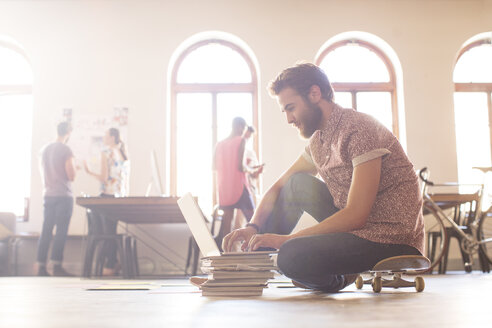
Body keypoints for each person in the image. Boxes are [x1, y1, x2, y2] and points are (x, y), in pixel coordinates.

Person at [222, 63, 425, 292]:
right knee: (296, 184)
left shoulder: (359, 129)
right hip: (359, 230)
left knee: (291, 255)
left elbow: (356, 215)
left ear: (314, 94)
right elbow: (281, 185)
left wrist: (287, 240)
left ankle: (339, 278)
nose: (289, 119)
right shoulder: (318, 142)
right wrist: (253, 227)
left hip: (389, 238)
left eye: (291, 108)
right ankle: (250, 270)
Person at [84, 127, 130, 276]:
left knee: (103, 233)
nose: (103, 137)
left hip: (107, 196)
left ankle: (109, 265)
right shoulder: (123, 154)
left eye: (105, 134)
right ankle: (112, 264)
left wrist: (89, 172)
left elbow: (104, 178)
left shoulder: (106, 152)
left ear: (111, 137)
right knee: (111, 231)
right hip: (119, 197)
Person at [213, 117, 263, 250]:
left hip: (224, 189)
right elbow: (241, 167)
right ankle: (260, 251)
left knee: (226, 228)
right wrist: (252, 170)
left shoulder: (219, 144)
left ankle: (226, 256)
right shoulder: (240, 141)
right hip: (239, 188)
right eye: (244, 128)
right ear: (240, 127)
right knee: (254, 221)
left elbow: (214, 166)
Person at [37, 121, 77, 276]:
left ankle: (41, 266)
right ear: (68, 132)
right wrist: (76, 168)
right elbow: (71, 175)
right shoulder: (66, 149)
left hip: (48, 194)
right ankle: (56, 266)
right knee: (61, 230)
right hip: (63, 195)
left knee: (46, 229)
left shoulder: (44, 149)